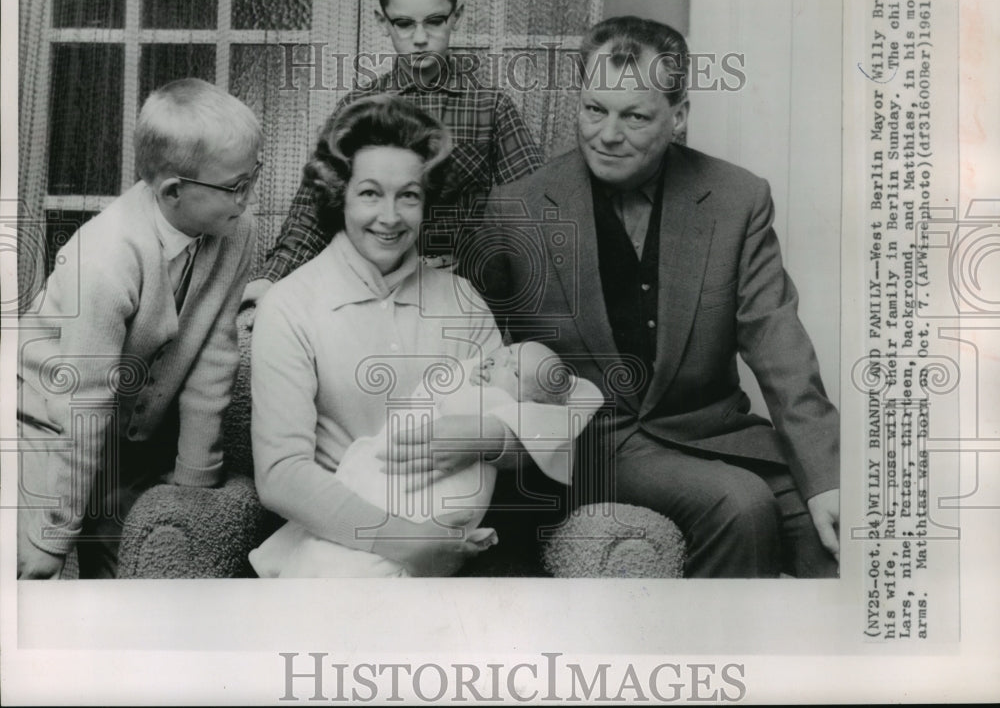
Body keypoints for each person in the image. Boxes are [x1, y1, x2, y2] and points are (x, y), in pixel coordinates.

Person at [461, 16, 841, 578]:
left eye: (634, 116)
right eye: (594, 109)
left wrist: (826, 476)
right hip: (592, 446)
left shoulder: (738, 199)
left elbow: (778, 342)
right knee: (739, 504)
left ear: (678, 116)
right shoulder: (516, 208)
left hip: (715, 432)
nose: (607, 134)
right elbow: (479, 352)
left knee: (847, 532)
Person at [251, 95, 558, 577]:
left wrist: (488, 436)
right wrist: (405, 542)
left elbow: (534, 430)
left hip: (459, 545)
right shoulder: (290, 306)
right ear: (340, 194)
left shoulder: (463, 300)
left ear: (427, 200)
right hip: (340, 553)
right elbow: (280, 476)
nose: (390, 217)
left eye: (408, 196)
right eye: (370, 193)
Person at [17, 78, 261, 579]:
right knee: (37, 576)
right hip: (45, 427)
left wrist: (194, 480)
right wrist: (52, 535)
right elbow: (81, 406)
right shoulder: (104, 259)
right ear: (173, 191)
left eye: (253, 176)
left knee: (122, 582)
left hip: (125, 440)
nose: (249, 196)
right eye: (237, 186)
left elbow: (215, 355)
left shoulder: (238, 231)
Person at [241, 0, 544, 308]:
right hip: (371, 286)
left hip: (460, 291)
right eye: (403, 23)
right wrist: (271, 278)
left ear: (456, 16)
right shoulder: (357, 109)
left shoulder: (490, 106)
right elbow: (312, 213)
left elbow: (532, 211)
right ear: (382, 22)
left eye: (435, 21)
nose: (420, 38)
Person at [248, 340, 601, 577]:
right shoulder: (292, 306)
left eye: (514, 370)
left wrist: (491, 433)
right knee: (340, 550)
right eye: (508, 351)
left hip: (432, 498)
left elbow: (569, 409)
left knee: (354, 567)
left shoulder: (495, 400)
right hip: (369, 488)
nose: (500, 358)